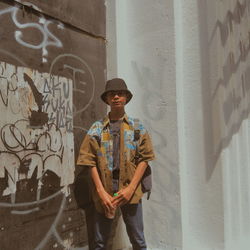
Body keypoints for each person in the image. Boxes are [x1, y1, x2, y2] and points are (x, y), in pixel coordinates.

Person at [77, 78, 155, 250]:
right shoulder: (96, 128)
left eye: (120, 93)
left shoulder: (137, 127)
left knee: (138, 241)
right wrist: (100, 192)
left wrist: (130, 189)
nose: (116, 97)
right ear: (106, 99)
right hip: (104, 193)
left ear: (126, 97)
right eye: (112, 94)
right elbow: (88, 160)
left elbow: (145, 158)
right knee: (99, 243)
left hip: (130, 192)